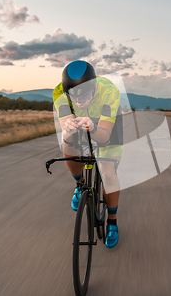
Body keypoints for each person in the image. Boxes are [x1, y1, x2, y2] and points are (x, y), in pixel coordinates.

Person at [52, 60, 123, 248]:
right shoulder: (59, 92)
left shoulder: (109, 92)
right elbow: (66, 126)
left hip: (106, 125)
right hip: (81, 121)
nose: (79, 101)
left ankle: (113, 223)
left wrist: (93, 127)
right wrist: (68, 130)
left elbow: (105, 136)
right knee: (66, 141)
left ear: (94, 87)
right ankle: (79, 184)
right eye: (74, 96)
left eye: (84, 95)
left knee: (108, 171)